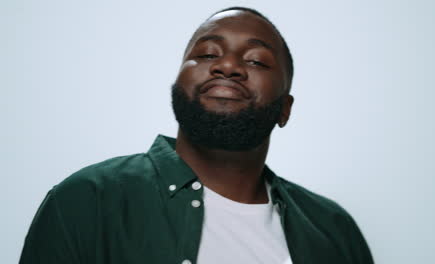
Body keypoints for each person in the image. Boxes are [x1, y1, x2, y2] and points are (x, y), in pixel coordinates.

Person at [20, 7, 373, 264]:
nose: (228, 66)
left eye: (256, 61)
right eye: (207, 53)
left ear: (285, 109)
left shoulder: (335, 231)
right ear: (178, 86)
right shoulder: (87, 201)